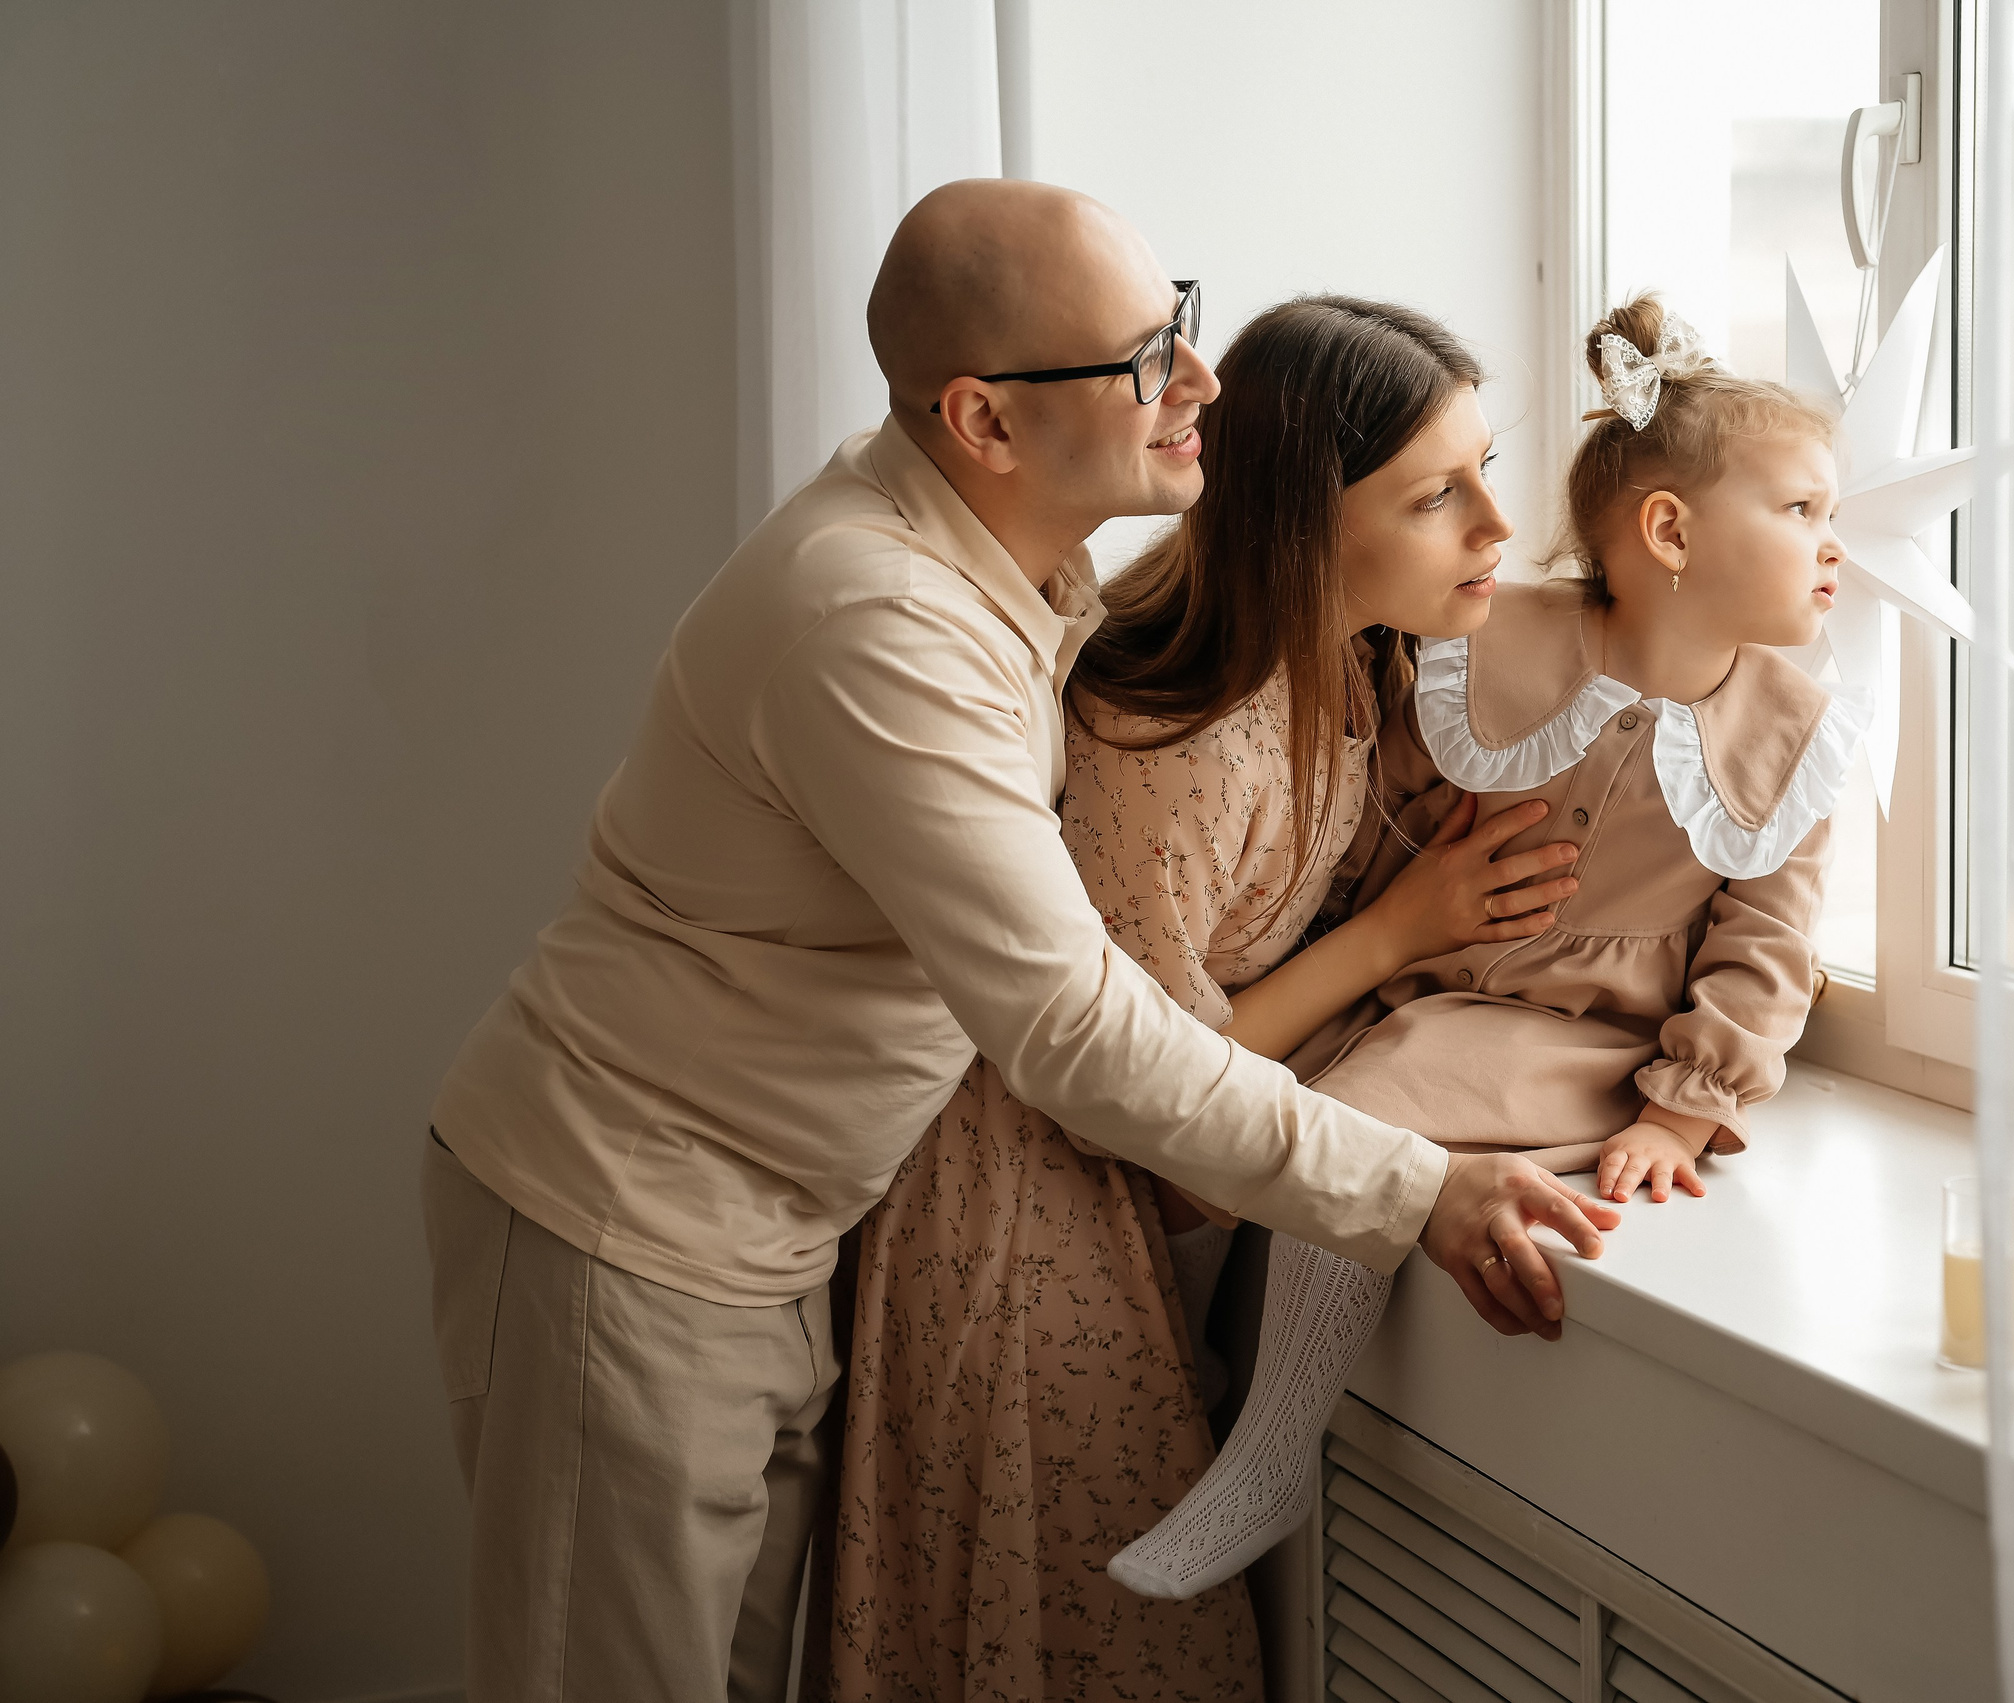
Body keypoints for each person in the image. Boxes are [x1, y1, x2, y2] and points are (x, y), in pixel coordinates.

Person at [414, 178, 1615, 1701]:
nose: (1201, 381)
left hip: (773, 1218)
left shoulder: (1019, 577)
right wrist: (1418, 1189)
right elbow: (1075, 1027)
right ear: (983, 421)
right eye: (1139, 360)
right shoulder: (879, 625)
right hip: (628, 1216)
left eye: (1176, 322)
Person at [807, 295, 1581, 1698]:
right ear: (1302, 523)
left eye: (1486, 471)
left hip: (1154, 1205)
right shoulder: (1183, 743)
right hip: (1029, 1214)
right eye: (1437, 495)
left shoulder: (1352, 661)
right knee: (1090, 1640)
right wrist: (1393, 937)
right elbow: (1126, 1083)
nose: (1496, 527)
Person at [1109, 294, 1867, 1601]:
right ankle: (1171, 1388)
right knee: (1199, 1158)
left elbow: (1768, 953)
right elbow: (1384, 809)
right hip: (1408, 990)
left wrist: (1683, 1116)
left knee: (1351, 1136)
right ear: (1671, 532)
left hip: (1568, 1042)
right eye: (1803, 512)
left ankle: (1270, 1452)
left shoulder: (1794, 732)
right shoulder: (1494, 636)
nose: (1832, 546)